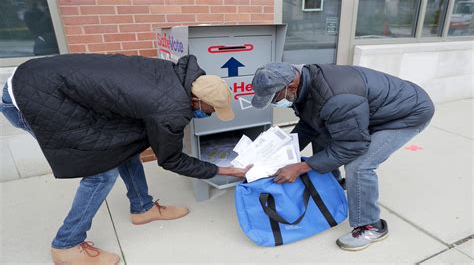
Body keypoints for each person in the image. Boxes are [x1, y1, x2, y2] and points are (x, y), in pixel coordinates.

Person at [0, 54, 250, 264]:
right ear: (197, 99)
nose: (211, 114)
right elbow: (171, 159)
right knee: (101, 173)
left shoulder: (177, 75)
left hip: (42, 77)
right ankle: (67, 244)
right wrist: (226, 171)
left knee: (123, 145)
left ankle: (142, 208)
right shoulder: (171, 108)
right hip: (33, 98)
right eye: (211, 109)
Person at [250, 62, 434, 251]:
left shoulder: (337, 97)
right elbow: (309, 125)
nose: (274, 103)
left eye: (274, 98)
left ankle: (370, 226)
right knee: (321, 133)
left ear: (291, 85)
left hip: (407, 114)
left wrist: (301, 167)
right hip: (375, 108)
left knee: (360, 166)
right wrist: (279, 154)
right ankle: (334, 183)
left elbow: (352, 146)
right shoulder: (305, 82)